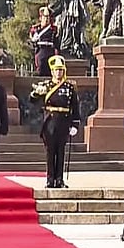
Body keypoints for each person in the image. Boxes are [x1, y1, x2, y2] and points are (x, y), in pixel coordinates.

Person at [29, 55, 80, 188]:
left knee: (61, 151)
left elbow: (75, 106)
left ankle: (59, 179)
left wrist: (75, 124)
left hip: (64, 122)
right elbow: (32, 100)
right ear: (52, 71)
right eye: (56, 70)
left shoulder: (69, 87)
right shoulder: (46, 86)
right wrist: (36, 93)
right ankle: (50, 179)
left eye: (61, 70)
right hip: (50, 123)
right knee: (50, 152)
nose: (58, 73)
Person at [30, 7, 58, 77]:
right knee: (41, 70)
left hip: (50, 51)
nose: (46, 19)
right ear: (40, 18)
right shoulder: (36, 29)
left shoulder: (54, 29)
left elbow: (56, 42)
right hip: (41, 51)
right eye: (44, 17)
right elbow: (32, 41)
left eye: (48, 18)